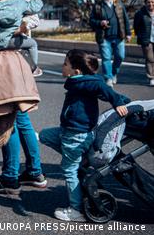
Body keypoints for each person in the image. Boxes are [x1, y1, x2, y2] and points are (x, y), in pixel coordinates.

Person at [40, 49, 130, 222]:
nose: (63, 66)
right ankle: (78, 160)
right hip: (70, 132)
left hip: (76, 135)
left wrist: (118, 102)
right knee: (44, 135)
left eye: (66, 63)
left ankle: (76, 210)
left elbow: (102, 87)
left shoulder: (86, 82)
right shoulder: (78, 82)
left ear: (77, 71)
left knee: (69, 171)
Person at [0, 0, 45, 193]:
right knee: (22, 120)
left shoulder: (6, 0)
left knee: (8, 119)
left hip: (6, 63)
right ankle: (34, 172)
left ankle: (10, 176)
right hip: (20, 64)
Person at [89, 0, 131, 85]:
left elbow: (125, 19)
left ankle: (114, 73)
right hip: (104, 37)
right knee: (106, 58)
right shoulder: (98, 6)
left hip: (119, 36)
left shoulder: (119, 4)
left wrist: (128, 33)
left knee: (120, 56)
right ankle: (108, 78)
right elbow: (91, 21)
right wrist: (100, 23)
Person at [133, 0, 154, 86]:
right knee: (150, 59)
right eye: (148, 2)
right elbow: (136, 27)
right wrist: (141, 36)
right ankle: (151, 77)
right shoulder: (140, 14)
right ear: (145, 3)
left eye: (153, 2)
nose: (151, 4)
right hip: (147, 40)